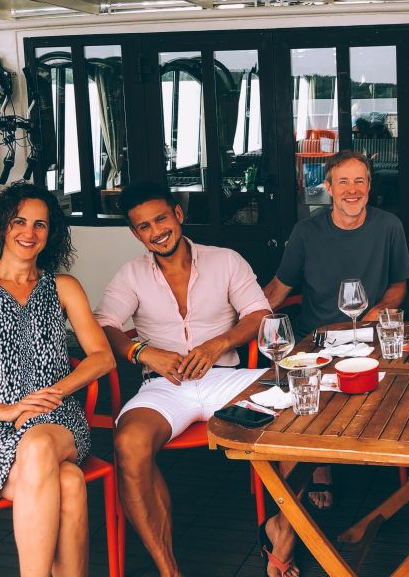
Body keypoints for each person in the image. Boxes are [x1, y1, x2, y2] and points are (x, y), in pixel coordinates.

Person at [95, 182, 297, 577]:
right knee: (128, 442)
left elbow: (259, 315)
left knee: (300, 411)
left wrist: (216, 344)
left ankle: (285, 532)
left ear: (178, 215)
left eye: (161, 219)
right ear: (136, 234)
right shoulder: (131, 274)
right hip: (164, 385)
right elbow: (102, 325)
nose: (156, 231)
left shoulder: (225, 260)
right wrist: (142, 351)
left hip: (228, 377)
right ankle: (169, 570)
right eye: (143, 226)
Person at [0, 182, 114, 577]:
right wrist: (8, 411)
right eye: (19, 221)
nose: (28, 233)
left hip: (58, 424)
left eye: (40, 225)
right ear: (2, 225)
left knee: (37, 445)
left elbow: (102, 357)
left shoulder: (63, 287)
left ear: (52, 235)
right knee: (68, 482)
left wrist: (56, 392)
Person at [265, 148, 409, 509]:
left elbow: (399, 284)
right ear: (328, 188)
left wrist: (381, 309)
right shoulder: (306, 232)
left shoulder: (389, 225)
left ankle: (393, 461)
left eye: (359, 181)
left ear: (369, 186)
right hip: (315, 341)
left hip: (371, 335)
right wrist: (240, 326)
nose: (352, 189)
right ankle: (314, 470)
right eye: (342, 181)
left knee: (403, 392)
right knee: (294, 408)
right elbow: (276, 291)